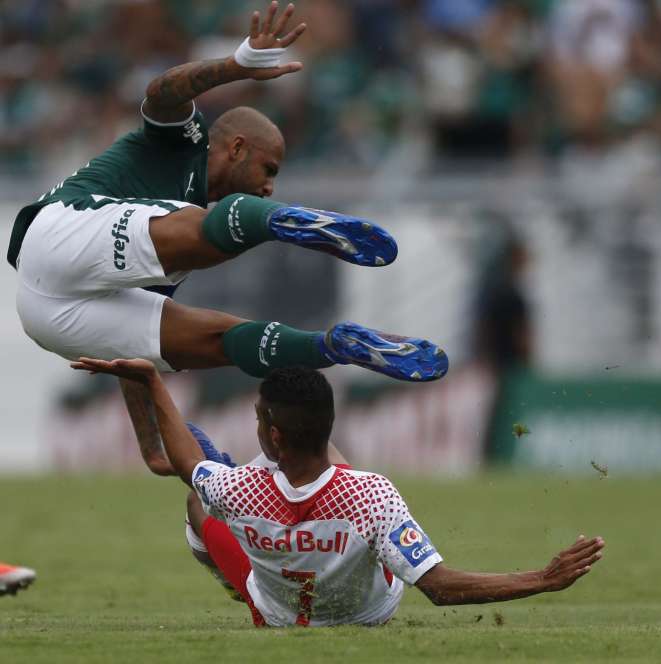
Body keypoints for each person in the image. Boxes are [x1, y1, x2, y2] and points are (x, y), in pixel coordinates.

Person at [9, 2, 448, 472]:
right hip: (53, 236)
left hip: (47, 317)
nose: (269, 184)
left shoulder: (173, 245)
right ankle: (286, 223)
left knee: (219, 339)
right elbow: (159, 92)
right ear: (237, 147)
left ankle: (333, 346)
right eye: (268, 170)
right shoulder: (183, 142)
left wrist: (151, 445)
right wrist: (234, 67)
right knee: (200, 231)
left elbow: (131, 358)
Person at [73, 357, 604, 627]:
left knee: (196, 498)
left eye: (258, 418)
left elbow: (182, 463)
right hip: (369, 614)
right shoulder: (370, 494)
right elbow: (439, 587)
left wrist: (151, 380)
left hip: (275, 612)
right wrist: (543, 578)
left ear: (272, 436)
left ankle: (234, 583)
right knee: (341, 495)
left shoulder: (237, 490)